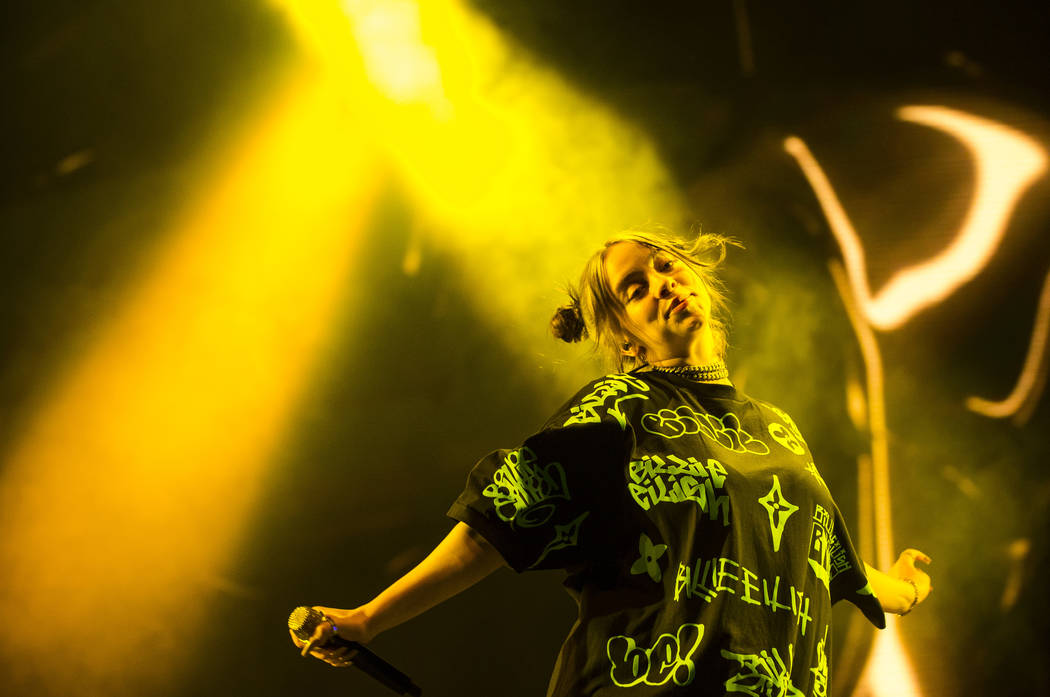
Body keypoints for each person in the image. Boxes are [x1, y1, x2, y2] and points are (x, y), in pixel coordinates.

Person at [290, 228, 932, 695]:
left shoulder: (778, 430)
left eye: (666, 267)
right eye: (636, 287)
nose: (662, 285)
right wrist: (369, 619)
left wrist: (900, 589)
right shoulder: (618, 408)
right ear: (623, 335)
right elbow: (497, 524)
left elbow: (822, 560)